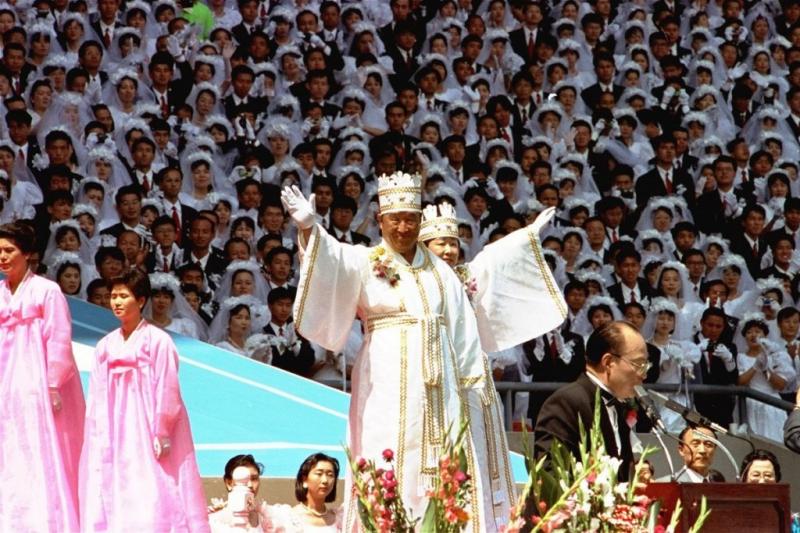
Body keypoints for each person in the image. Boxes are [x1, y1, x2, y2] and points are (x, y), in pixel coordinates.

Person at [281, 172, 509, 531]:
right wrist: (311, 229)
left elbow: (462, 328)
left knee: (440, 461)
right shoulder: (366, 260)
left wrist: (471, 386)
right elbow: (331, 260)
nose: (403, 227)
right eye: (395, 219)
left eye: (411, 219)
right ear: (380, 220)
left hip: (441, 387)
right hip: (384, 380)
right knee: (385, 452)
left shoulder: (441, 271)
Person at [79, 270, 210, 532]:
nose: (116, 302)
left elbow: (167, 388)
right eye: (113, 296)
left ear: (140, 301)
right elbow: (97, 391)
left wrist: (161, 429)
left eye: (123, 296)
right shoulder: (105, 345)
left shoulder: (158, 341)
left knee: (151, 478)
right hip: (114, 423)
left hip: (145, 422)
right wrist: (96, 429)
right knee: (115, 475)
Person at [0, 221, 85, 531]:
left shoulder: (47, 291)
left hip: (37, 384)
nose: (3, 257)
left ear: (28, 254)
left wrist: (52, 384)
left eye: (9, 250)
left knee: (42, 448)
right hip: (5, 387)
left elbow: (59, 339)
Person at [534, 321, 648, 483]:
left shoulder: (617, 405)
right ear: (608, 362)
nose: (643, 375)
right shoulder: (566, 402)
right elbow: (550, 477)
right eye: (639, 364)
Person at [262, 452, 342, 531]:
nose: (325, 480)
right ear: (304, 480)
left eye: (330, 475)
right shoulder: (288, 519)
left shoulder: (341, 519)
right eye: (319, 474)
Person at [208, 454, 267, 532]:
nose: (249, 485)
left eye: (254, 479)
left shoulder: (267, 519)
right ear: (228, 483)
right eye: (243, 480)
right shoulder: (214, 520)